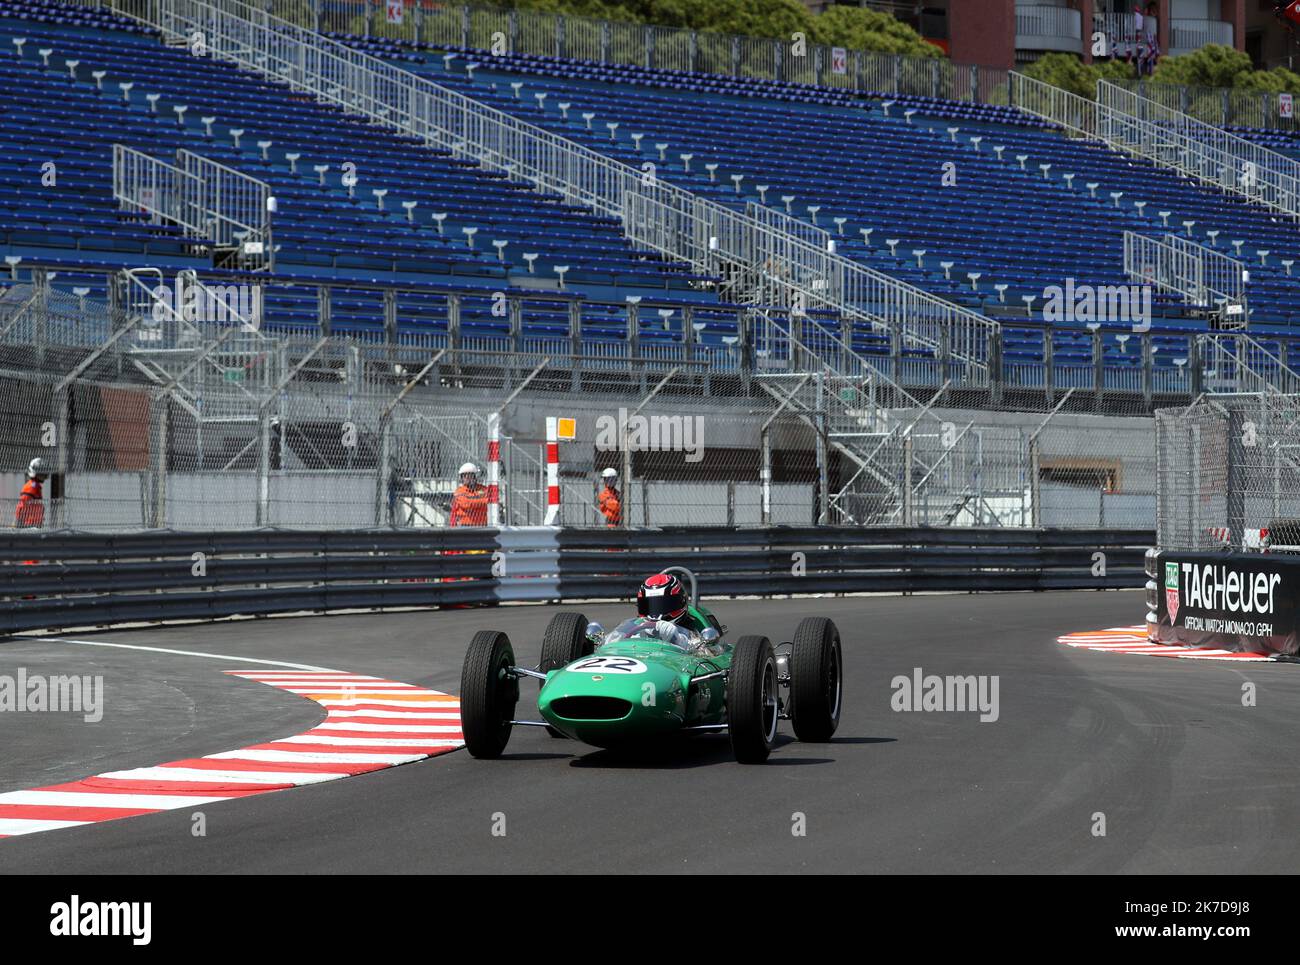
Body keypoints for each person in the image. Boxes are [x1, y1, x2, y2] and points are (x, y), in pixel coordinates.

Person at [449, 462, 488, 527]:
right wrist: (481, 500)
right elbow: (465, 504)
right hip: (465, 526)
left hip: (483, 525)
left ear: (475, 476)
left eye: (470, 475)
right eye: (465, 476)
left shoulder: (484, 489)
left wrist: (470, 499)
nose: (468, 478)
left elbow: (489, 501)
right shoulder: (459, 491)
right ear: (462, 478)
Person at [14, 457, 49, 529]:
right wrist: (18, 525)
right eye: (42, 472)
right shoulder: (31, 487)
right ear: (35, 472)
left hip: (34, 525)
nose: (45, 474)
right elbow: (21, 506)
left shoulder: (36, 486)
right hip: (28, 526)